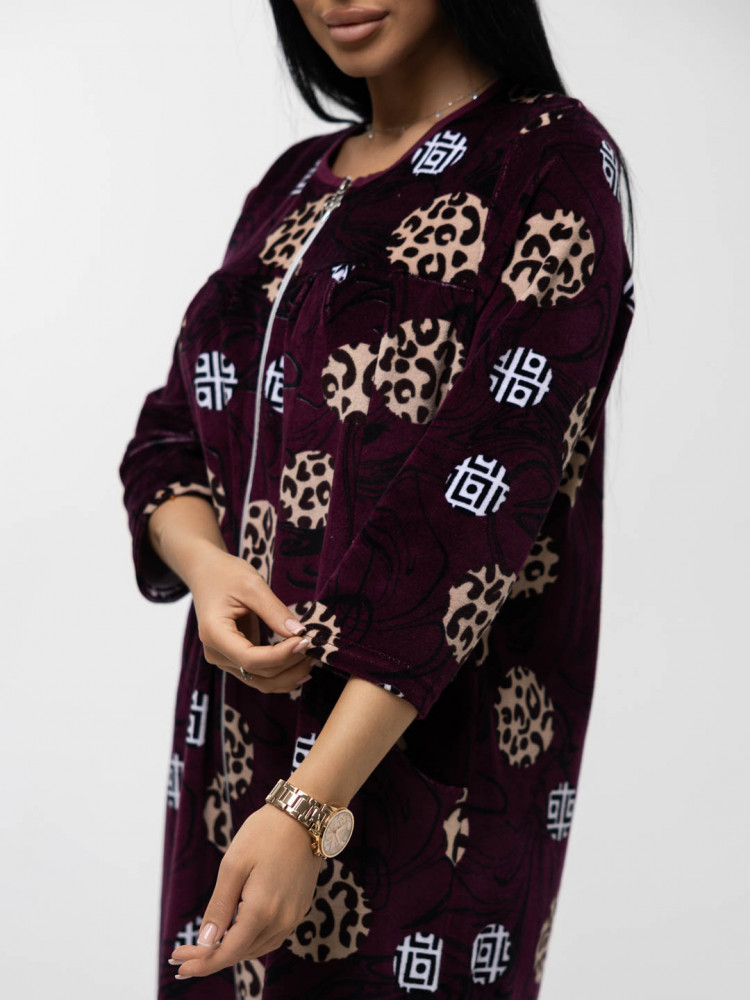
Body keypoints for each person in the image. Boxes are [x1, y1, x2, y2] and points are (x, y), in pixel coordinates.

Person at [118, 1, 637, 996]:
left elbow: (480, 503)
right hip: (236, 745)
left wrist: (309, 806)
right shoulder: (291, 185)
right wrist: (209, 567)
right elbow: (172, 433)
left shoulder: (549, 158)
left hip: (422, 765)